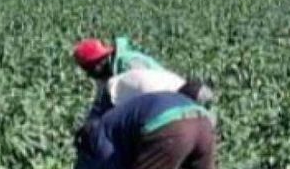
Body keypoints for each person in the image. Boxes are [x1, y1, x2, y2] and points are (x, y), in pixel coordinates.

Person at [68, 91, 220, 169]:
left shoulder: (97, 136)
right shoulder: (113, 120)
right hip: (203, 121)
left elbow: (111, 164)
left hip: (170, 126)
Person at [72, 37, 212, 123]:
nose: (89, 75)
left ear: (98, 63)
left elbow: (145, 90)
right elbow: (101, 102)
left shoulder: (129, 63)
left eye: (88, 70)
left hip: (174, 100)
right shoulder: (107, 73)